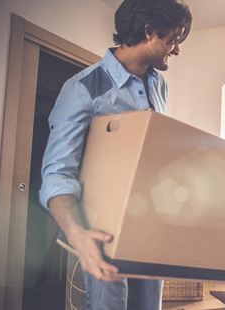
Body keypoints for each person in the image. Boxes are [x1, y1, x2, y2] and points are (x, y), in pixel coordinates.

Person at [38, 0, 192, 308]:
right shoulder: (83, 88)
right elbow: (57, 173)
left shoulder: (158, 84)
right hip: (103, 227)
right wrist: (77, 233)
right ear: (149, 31)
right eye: (173, 39)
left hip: (149, 223)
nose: (176, 49)